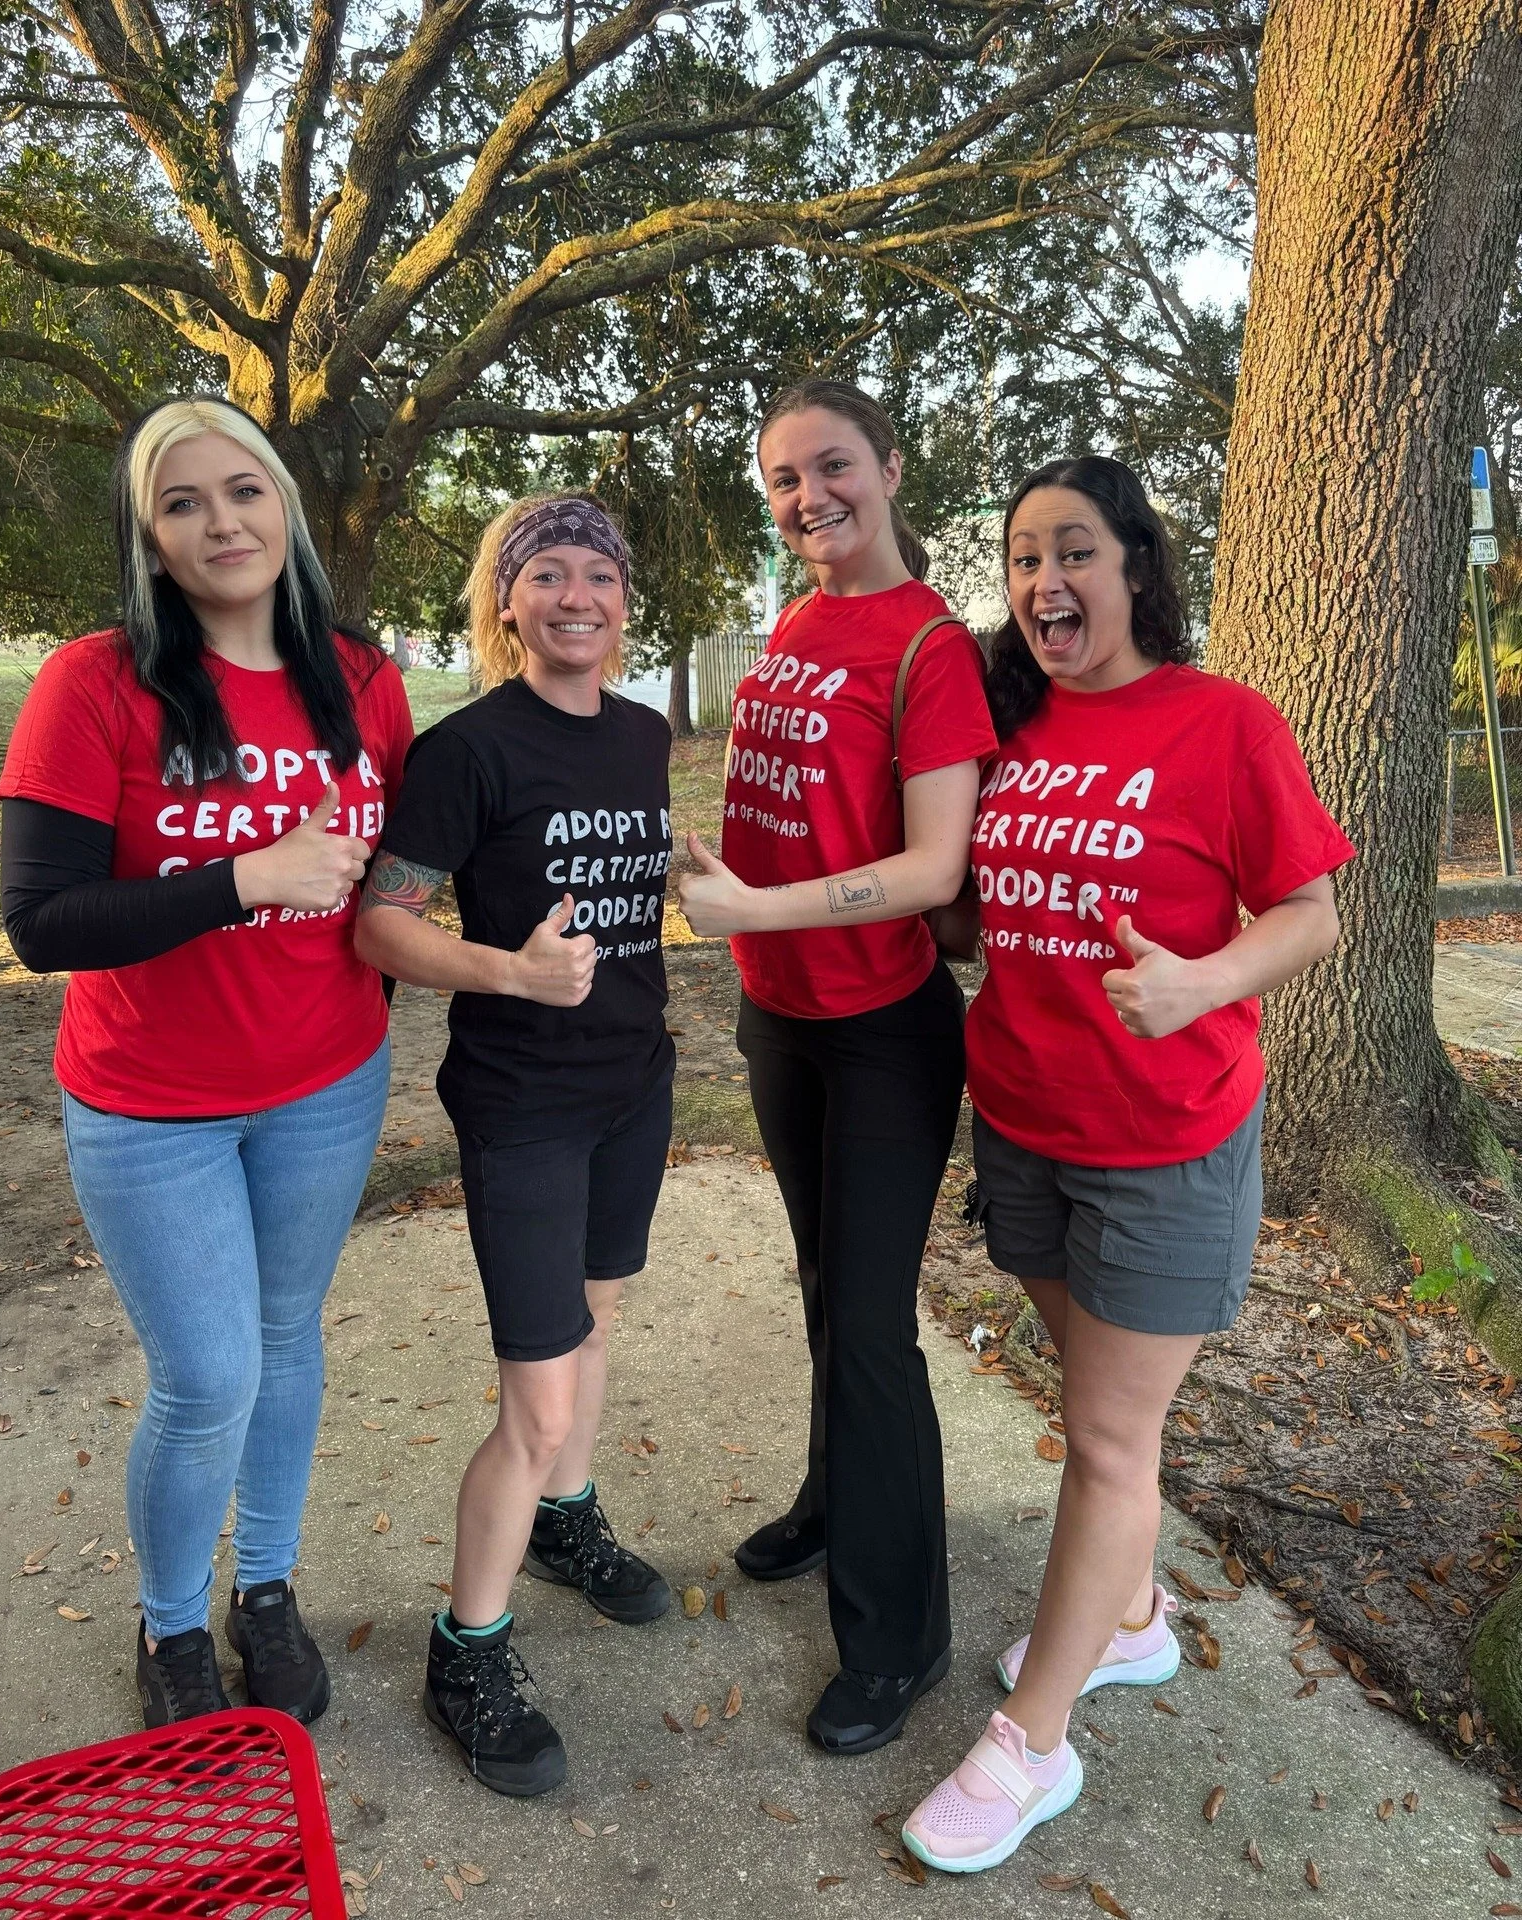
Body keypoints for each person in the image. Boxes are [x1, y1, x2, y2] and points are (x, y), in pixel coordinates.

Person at [899, 456, 1355, 1873]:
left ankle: (1032, 1745)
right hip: (1025, 1119)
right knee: (1095, 1398)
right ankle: (1136, 1616)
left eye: (1076, 552)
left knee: (1107, 1440)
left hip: (1167, 1138)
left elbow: (1313, 914)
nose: (1046, 582)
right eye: (1026, 557)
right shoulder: (1013, 729)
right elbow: (974, 906)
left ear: (1139, 569)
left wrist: (1208, 978)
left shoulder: (1225, 725)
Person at [0, 397, 413, 1730]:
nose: (219, 521)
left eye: (242, 491)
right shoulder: (94, 682)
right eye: (181, 504)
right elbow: (41, 921)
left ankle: (269, 1591)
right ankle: (173, 1627)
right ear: (150, 539)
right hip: (149, 1106)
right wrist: (243, 877)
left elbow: (389, 886)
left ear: (282, 503)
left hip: (326, 1083)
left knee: (287, 1342)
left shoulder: (361, 679)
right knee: (209, 1375)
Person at [678, 377, 998, 1755]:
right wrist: (716, 874)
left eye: (832, 469)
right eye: (784, 480)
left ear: (890, 464)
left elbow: (934, 867)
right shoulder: (801, 618)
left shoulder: (930, 647)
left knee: (872, 1325)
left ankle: (900, 1640)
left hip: (880, 1031)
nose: (809, 498)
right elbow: (795, 811)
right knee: (823, 1289)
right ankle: (833, 1499)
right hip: (781, 1013)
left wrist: (756, 909)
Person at [355, 493, 675, 1797]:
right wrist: (508, 972)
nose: (578, 596)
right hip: (525, 1107)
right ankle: (464, 1647)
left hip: (634, 1088)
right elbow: (382, 926)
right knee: (535, 1405)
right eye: (549, 574)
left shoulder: (647, 734)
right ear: (508, 601)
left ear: (624, 602)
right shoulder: (467, 751)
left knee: (594, 1329)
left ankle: (565, 1524)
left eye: (600, 573)